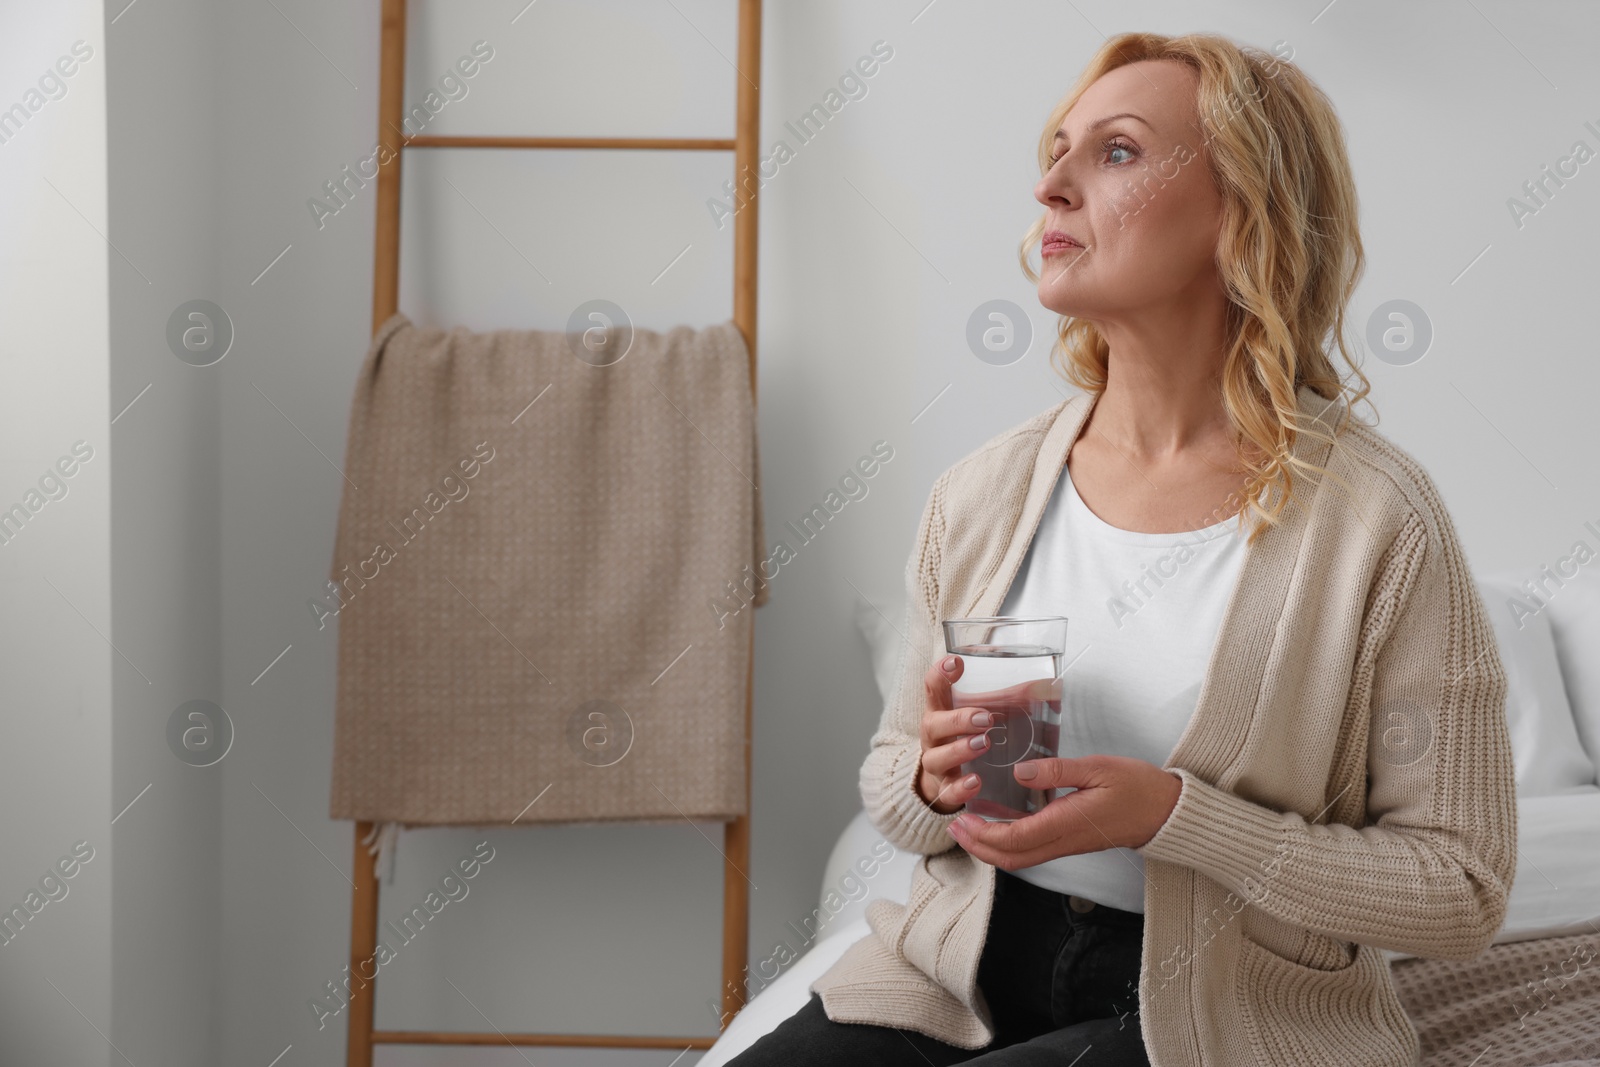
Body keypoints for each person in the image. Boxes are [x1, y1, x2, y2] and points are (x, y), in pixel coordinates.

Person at [728, 29, 1515, 1067]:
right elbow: (890, 782)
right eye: (1055, 151)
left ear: (1242, 205)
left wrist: (1176, 816)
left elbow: (1459, 887)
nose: (1051, 185)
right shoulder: (981, 494)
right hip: (956, 975)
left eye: (1116, 152)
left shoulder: (1378, 523)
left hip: (1209, 1015)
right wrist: (932, 781)